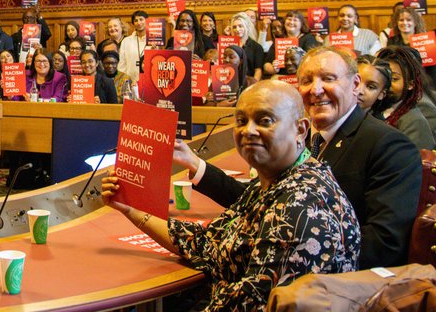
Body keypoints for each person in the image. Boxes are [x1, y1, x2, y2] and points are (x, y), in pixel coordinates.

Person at [104, 80, 359, 311]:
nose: (248, 130)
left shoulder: (300, 208)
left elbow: (248, 305)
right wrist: (131, 209)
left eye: (265, 120)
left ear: (300, 130)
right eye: (241, 120)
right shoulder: (271, 183)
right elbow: (206, 242)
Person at [175, 46, 421, 268]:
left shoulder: (390, 146)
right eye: (306, 81)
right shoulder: (304, 138)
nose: (315, 89)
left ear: (355, 84)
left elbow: (384, 245)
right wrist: (195, 164)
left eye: (328, 79)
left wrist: (282, 253)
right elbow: (256, 199)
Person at [373, 46, 436, 150]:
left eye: (394, 79)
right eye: (384, 76)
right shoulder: (374, 109)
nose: (387, 84)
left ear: (410, 84)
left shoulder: (415, 122)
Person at [263, 10, 318, 76]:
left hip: (301, 77)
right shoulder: (279, 40)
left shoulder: (308, 38)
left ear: (301, 24)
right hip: (281, 78)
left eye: (295, 20)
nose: (291, 22)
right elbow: (266, 63)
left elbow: (314, 62)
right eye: (289, 19)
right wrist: (273, 69)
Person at [230, 12, 263, 83]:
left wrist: (253, 85)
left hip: (250, 82)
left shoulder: (256, 47)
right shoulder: (229, 46)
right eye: (234, 27)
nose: (237, 29)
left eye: (240, 26)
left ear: (246, 27)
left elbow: (258, 70)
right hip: (232, 82)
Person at [117, 10, 148, 81]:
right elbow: (122, 64)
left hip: (148, 81)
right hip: (130, 81)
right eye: (136, 20)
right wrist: (121, 82)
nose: (139, 23)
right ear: (133, 23)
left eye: (141, 19)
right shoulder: (126, 41)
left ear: (146, 21)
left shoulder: (153, 41)